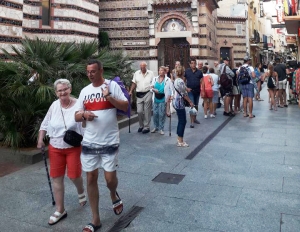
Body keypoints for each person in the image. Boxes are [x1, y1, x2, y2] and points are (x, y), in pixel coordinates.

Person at [75, 60, 128, 232]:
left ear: (101, 71)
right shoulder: (85, 91)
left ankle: (113, 194)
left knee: (110, 179)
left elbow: (126, 105)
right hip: (89, 141)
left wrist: (109, 97)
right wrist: (84, 114)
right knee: (91, 177)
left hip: (110, 140)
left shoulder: (111, 86)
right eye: (88, 72)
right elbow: (76, 116)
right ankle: (95, 219)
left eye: (93, 71)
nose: (90, 74)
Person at [37, 79, 86, 225]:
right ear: (56, 92)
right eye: (59, 90)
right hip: (55, 147)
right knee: (56, 177)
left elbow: (84, 125)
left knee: (73, 175)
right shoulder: (54, 105)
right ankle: (60, 210)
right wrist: (40, 139)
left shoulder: (78, 104)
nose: (63, 92)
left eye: (65, 89)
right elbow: (45, 123)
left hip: (73, 147)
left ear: (70, 89)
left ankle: (81, 190)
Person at [129, 61, 154, 133]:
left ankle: (146, 127)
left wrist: (153, 88)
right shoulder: (136, 73)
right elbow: (134, 83)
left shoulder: (151, 73)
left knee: (147, 110)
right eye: (141, 67)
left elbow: (153, 82)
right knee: (139, 111)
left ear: (146, 67)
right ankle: (141, 125)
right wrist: (130, 91)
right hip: (139, 93)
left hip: (148, 92)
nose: (142, 68)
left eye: (143, 67)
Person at [173, 65, 195, 147]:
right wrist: (190, 102)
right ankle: (180, 140)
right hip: (180, 102)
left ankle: (179, 137)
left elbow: (182, 89)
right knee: (183, 121)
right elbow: (184, 94)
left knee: (180, 120)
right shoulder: (181, 81)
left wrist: (186, 89)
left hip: (176, 101)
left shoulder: (176, 80)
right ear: (182, 72)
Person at [151, 66, 172, 135]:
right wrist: (154, 89)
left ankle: (161, 128)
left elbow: (171, 89)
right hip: (155, 98)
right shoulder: (155, 79)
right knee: (155, 113)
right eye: (159, 70)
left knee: (161, 114)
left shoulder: (168, 80)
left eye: (162, 70)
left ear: (165, 72)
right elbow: (151, 87)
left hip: (163, 98)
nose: (161, 72)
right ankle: (156, 127)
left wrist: (171, 96)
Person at [184, 59, 203, 128]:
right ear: (190, 64)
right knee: (192, 105)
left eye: (194, 63)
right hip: (190, 91)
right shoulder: (187, 71)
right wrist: (186, 88)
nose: (193, 65)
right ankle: (192, 121)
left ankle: (195, 118)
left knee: (196, 105)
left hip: (197, 91)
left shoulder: (199, 72)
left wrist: (202, 90)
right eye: (192, 63)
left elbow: (202, 81)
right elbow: (183, 81)